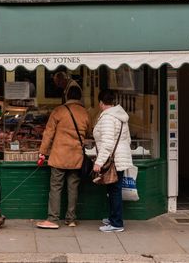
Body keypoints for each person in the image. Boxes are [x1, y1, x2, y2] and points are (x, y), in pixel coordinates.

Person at [35, 86, 91, 229]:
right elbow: (89, 133)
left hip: (59, 156)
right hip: (76, 157)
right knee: (73, 188)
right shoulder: (85, 113)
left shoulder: (59, 111)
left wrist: (43, 152)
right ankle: (71, 219)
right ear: (79, 97)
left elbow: (48, 133)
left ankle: (53, 219)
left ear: (67, 96)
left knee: (56, 187)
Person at [92, 89, 132, 233]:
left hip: (114, 159)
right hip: (119, 157)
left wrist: (99, 162)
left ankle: (116, 223)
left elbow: (107, 143)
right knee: (113, 190)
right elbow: (127, 139)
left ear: (101, 103)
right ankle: (113, 218)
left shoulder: (108, 118)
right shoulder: (119, 116)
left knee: (114, 191)